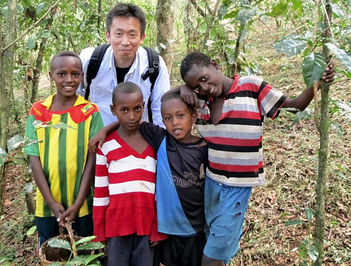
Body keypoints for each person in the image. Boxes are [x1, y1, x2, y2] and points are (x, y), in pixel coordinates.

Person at [173, 51, 335, 266]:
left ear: (215, 65)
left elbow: (296, 106)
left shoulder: (251, 87)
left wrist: (318, 82)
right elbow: (167, 101)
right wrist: (182, 88)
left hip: (237, 188)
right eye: (196, 86)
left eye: (204, 78)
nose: (203, 87)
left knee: (211, 256)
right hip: (211, 185)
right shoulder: (201, 101)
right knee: (214, 242)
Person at [91, 92, 209, 266]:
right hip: (164, 228)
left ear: (193, 117)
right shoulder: (160, 140)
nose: (175, 122)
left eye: (180, 116)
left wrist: (183, 88)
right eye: (168, 118)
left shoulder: (204, 148)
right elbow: (130, 120)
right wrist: (105, 129)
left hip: (195, 227)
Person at [24, 51, 104, 249]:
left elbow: (92, 161)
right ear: (51, 76)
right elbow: (34, 159)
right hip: (47, 206)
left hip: (83, 205)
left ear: (82, 76)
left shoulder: (90, 112)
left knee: (84, 251)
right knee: (51, 251)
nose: (69, 79)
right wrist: (51, 203)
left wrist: (77, 204)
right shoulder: (38, 111)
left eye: (75, 74)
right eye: (62, 74)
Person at [92, 82, 166, 266]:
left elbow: (161, 191)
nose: (132, 116)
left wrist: (158, 227)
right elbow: (101, 194)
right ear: (113, 110)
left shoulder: (154, 143)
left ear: (143, 106)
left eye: (137, 109)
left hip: (147, 225)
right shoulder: (105, 146)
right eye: (124, 110)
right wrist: (99, 233)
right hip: (116, 227)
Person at [77, 2, 171, 127]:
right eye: (119, 34)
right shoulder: (90, 60)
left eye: (132, 35)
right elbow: (74, 100)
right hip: (98, 138)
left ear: (142, 37)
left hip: (138, 139)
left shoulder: (154, 64)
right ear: (108, 36)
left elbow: (161, 111)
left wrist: (162, 144)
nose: (125, 42)